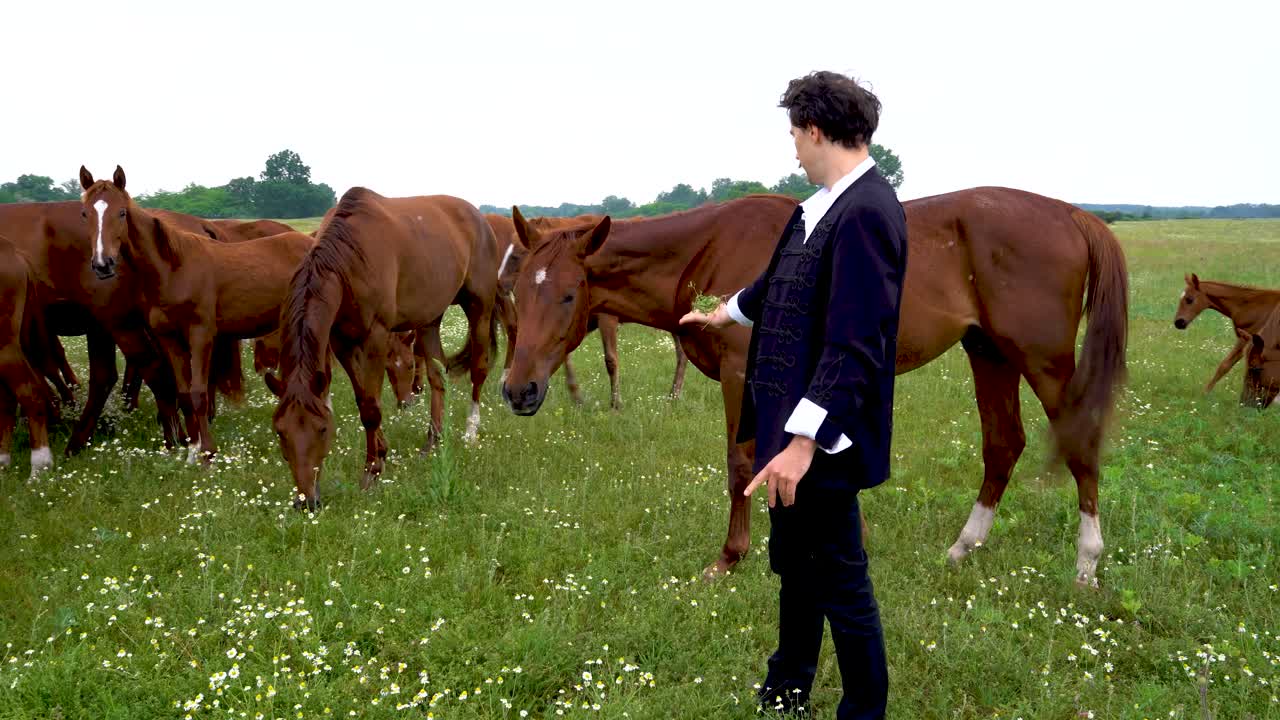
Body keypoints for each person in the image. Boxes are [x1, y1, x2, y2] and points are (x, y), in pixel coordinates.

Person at [679, 70, 908, 719]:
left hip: (823, 441)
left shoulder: (867, 213)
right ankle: (787, 690)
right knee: (796, 566)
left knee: (841, 579)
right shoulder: (819, 208)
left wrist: (804, 444)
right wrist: (724, 313)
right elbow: (778, 282)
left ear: (815, 130)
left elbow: (857, 342)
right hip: (788, 429)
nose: (794, 149)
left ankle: (863, 712)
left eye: (794, 135)